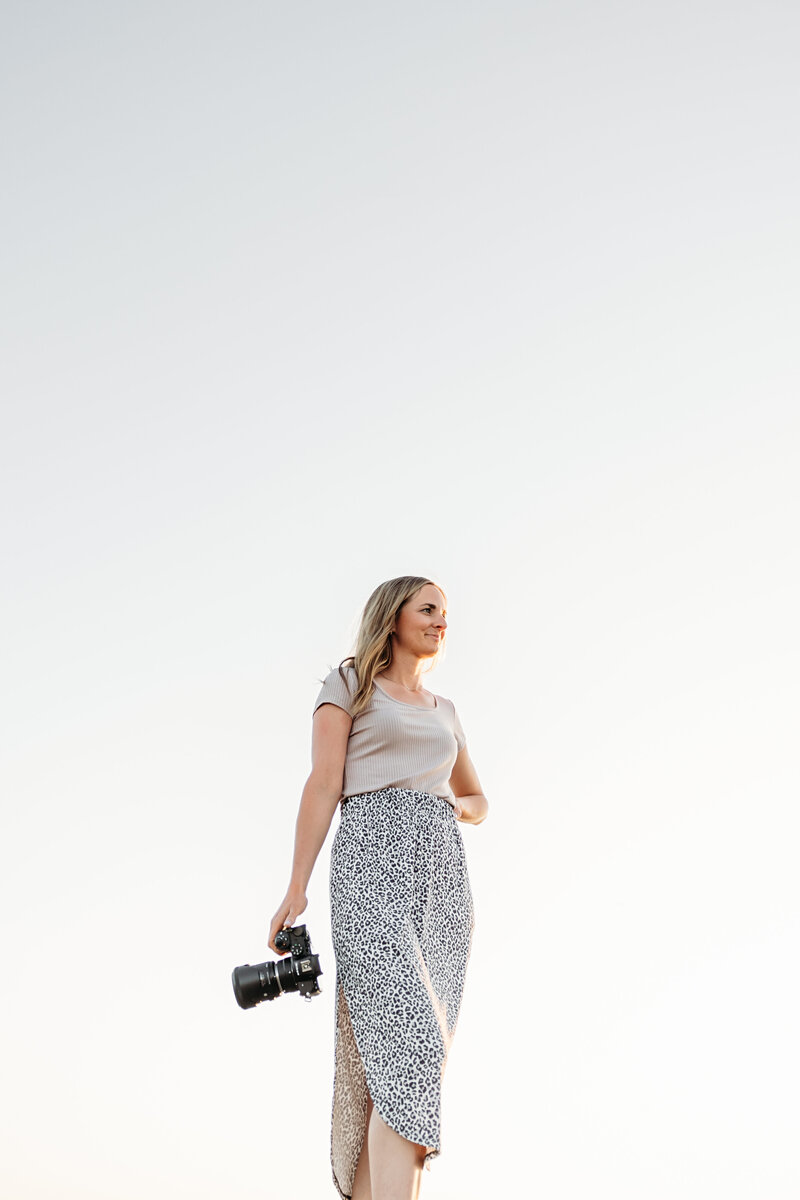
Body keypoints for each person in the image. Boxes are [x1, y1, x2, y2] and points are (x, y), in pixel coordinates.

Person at [268, 576, 488, 1200]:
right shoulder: (350, 686)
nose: (441, 621)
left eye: (445, 613)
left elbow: (477, 798)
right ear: (393, 618)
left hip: (442, 882)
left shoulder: (445, 711)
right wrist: (296, 885)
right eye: (428, 609)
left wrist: (447, 806)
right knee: (410, 1045)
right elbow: (323, 783)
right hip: (371, 865)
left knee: (410, 1061)